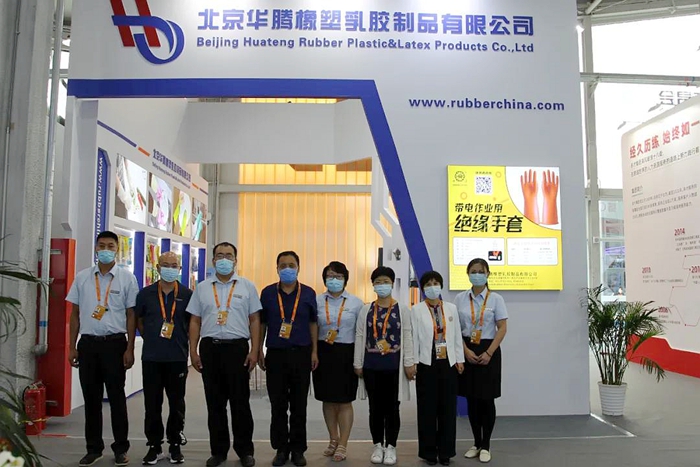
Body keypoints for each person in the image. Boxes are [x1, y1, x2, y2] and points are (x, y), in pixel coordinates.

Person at [67, 231, 139, 467]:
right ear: (96, 248)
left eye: (110, 246)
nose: (106, 249)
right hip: (88, 345)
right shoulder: (82, 277)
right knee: (92, 399)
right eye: (102, 245)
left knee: (117, 399)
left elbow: (131, 315)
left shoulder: (127, 278)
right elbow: (74, 314)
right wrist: (71, 347)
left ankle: (121, 448)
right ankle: (93, 448)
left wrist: (130, 347)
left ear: (117, 250)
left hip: (115, 344)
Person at [187, 242, 261, 467]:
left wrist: (254, 350)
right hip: (210, 349)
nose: (224, 259)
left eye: (229, 255)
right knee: (215, 404)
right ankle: (218, 451)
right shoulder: (202, 288)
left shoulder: (247, 287)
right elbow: (195, 320)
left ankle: (245, 451)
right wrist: (193, 350)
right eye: (220, 255)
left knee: (241, 404)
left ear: (235, 261)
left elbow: (255, 320)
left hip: (237, 349)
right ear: (213, 260)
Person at [258, 251, 319, 467]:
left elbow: (313, 323)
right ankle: (281, 449)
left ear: (298, 268)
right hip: (276, 354)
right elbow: (262, 323)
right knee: (278, 405)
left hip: (301, 354)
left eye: (291, 265)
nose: (287, 269)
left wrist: (314, 351)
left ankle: (298, 449)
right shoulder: (267, 293)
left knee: (299, 405)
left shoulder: (308, 293)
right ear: (276, 268)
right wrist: (259, 350)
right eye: (282, 265)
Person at [135, 252, 193, 465]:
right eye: (165, 265)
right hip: (152, 358)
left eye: (174, 265)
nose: (170, 268)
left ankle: (175, 444)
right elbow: (139, 320)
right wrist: (151, 337)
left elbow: (193, 323)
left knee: (177, 403)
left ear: (179, 268)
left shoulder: (187, 294)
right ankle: (154, 446)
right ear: (158, 268)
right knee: (152, 404)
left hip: (177, 357)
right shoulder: (146, 294)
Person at [353, 266, 415, 466]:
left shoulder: (402, 310)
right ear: (373, 285)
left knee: (392, 408)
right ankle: (378, 445)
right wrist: (358, 363)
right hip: (371, 366)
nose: (382, 285)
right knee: (375, 408)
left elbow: (407, 335)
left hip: (394, 367)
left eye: (385, 281)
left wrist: (409, 362)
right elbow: (360, 335)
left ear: (392, 284)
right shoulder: (366, 310)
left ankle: (391, 446)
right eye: (378, 282)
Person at [454, 259, 508, 464]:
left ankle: (486, 445)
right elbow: (455, 329)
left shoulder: (496, 299)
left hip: (489, 350)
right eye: (473, 271)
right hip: (467, 349)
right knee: (472, 399)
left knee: (487, 399)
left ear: (487, 274)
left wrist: (489, 353)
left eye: (480, 271)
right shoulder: (460, 298)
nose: (476, 275)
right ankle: (476, 443)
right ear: (468, 274)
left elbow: (502, 328)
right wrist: (465, 350)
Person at [411, 271, 465, 466]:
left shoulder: (451, 308)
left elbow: (456, 335)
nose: (432, 287)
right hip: (426, 363)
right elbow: (414, 337)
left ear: (440, 286)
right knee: (427, 409)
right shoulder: (416, 310)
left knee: (447, 409)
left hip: (448, 363)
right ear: (423, 288)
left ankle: (446, 452)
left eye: (435, 283)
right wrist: (413, 361)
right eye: (428, 284)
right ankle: (428, 452)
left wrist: (459, 359)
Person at [312, 261, 364, 462]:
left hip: (346, 353)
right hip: (323, 352)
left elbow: (360, 333)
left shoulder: (356, 303)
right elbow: (312, 327)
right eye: (330, 276)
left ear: (345, 279)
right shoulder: (316, 301)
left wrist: (359, 360)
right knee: (327, 399)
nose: (334, 280)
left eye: (339, 276)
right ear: (325, 279)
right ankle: (333, 438)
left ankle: (343, 442)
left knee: (344, 400)